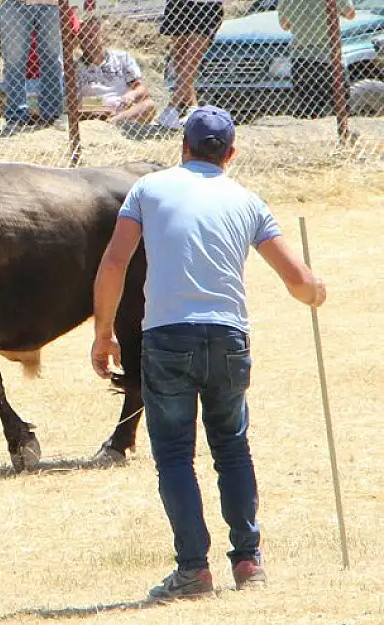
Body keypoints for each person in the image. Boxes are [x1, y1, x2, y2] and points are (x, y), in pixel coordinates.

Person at [90, 106, 327, 602]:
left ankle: (193, 571)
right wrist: (315, 292)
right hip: (227, 337)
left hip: (167, 337)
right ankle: (248, 560)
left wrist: (104, 332)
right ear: (232, 154)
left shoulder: (148, 189)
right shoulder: (247, 201)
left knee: (175, 454)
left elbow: (115, 261)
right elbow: (300, 283)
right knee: (232, 447)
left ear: (183, 147)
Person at [278, 0, 356, 118]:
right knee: (341, 106)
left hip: (301, 59)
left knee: (308, 109)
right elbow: (350, 14)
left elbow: (285, 25)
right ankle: (343, 130)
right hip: (329, 58)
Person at [157, 0, 225, 129]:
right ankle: (192, 108)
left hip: (206, 6)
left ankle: (172, 108)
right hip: (179, 4)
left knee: (193, 56)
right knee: (179, 56)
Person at [75, 16, 156, 124]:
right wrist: (106, 106)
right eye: (81, 37)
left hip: (122, 107)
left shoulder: (122, 58)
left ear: (103, 37)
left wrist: (132, 95)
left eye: (90, 36)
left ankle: (114, 121)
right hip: (94, 110)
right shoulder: (75, 67)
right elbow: (74, 102)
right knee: (84, 104)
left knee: (148, 105)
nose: (85, 41)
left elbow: (141, 88)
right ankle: (115, 122)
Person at [0, 0, 64, 128]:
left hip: (49, 3)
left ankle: (52, 114)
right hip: (15, 3)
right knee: (14, 62)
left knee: (52, 59)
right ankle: (17, 116)